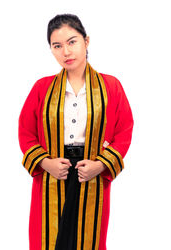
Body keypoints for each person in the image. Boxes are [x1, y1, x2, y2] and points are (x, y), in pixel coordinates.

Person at [18, 13, 134, 250]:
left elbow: (124, 130)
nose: (66, 52)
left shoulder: (110, 86)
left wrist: (101, 165)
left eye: (72, 42)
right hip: (53, 172)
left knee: (88, 239)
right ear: (51, 49)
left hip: (90, 171)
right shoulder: (43, 88)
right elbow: (26, 132)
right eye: (57, 46)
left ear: (86, 41)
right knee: (49, 240)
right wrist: (45, 163)